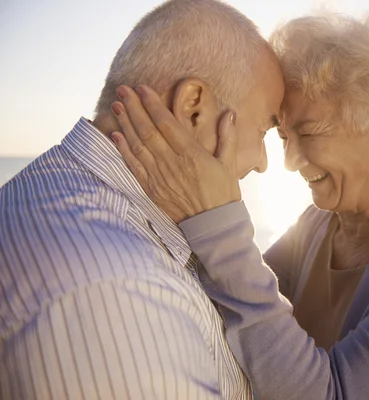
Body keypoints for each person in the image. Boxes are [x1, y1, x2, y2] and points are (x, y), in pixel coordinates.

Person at [111, 11, 369, 400]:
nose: (289, 161)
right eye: (284, 136)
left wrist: (216, 222)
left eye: (308, 131)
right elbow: (231, 309)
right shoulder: (317, 222)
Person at [0, 0, 284, 399]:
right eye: (265, 129)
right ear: (193, 108)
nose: (263, 164)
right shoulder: (122, 295)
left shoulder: (51, 188)